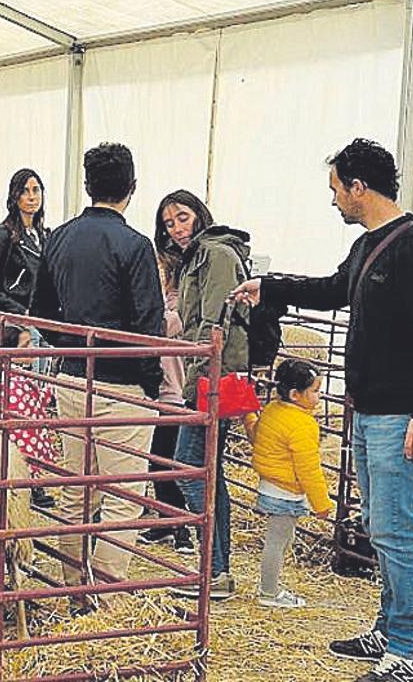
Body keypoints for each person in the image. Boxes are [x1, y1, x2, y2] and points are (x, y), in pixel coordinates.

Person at [232, 139, 413, 682]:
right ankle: (389, 631)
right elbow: (333, 289)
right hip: (368, 411)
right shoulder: (369, 247)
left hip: (399, 415)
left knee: (396, 529)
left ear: (360, 187)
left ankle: (412, 652)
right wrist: (269, 287)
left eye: (337, 189)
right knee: (381, 526)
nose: (334, 200)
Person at [32, 142, 164, 613]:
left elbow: (41, 314)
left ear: (87, 185)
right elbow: (150, 326)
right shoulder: (135, 245)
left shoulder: (60, 237)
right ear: (132, 186)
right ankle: (106, 606)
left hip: (71, 379)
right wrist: (151, 383)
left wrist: (70, 348)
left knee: (74, 490)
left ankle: (73, 594)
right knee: (123, 499)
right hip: (122, 386)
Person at [154, 189, 250, 602]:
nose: (176, 228)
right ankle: (216, 569)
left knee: (189, 467)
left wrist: (197, 379)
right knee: (206, 471)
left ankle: (216, 568)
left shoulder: (216, 255)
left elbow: (215, 324)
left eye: (182, 217)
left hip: (213, 377)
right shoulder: (200, 254)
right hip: (207, 374)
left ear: (200, 214)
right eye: (169, 223)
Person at [250, 359, 335, 609]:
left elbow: (257, 437)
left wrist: (247, 415)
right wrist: (322, 504)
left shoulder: (273, 410)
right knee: (277, 543)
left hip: (270, 484)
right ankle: (269, 592)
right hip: (285, 491)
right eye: (316, 391)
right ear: (295, 395)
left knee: (281, 541)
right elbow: (309, 468)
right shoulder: (302, 425)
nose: (319, 397)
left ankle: (271, 588)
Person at [137, 256, 195, 555]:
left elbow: (160, 327)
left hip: (173, 395)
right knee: (156, 461)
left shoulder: (177, 306)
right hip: (153, 394)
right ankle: (164, 520)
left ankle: (180, 526)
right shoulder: (157, 303)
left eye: (159, 271)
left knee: (168, 461)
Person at [0, 325, 57, 508]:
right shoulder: (12, 382)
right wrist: (50, 391)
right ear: (9, 350)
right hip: (20, 436)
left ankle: (32, 489)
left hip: (3, 435)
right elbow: (29, 410)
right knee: (22, 458)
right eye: (25, 345)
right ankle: (29, 489)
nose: (32, 349)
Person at [0, 168, 48, 318]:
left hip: (42, 317)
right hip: (16, 320)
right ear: (15, 196)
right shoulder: (3, 235)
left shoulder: (44, 236)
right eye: (25, 191)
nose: (32, 197)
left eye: (36, 190)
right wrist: (19, 311)